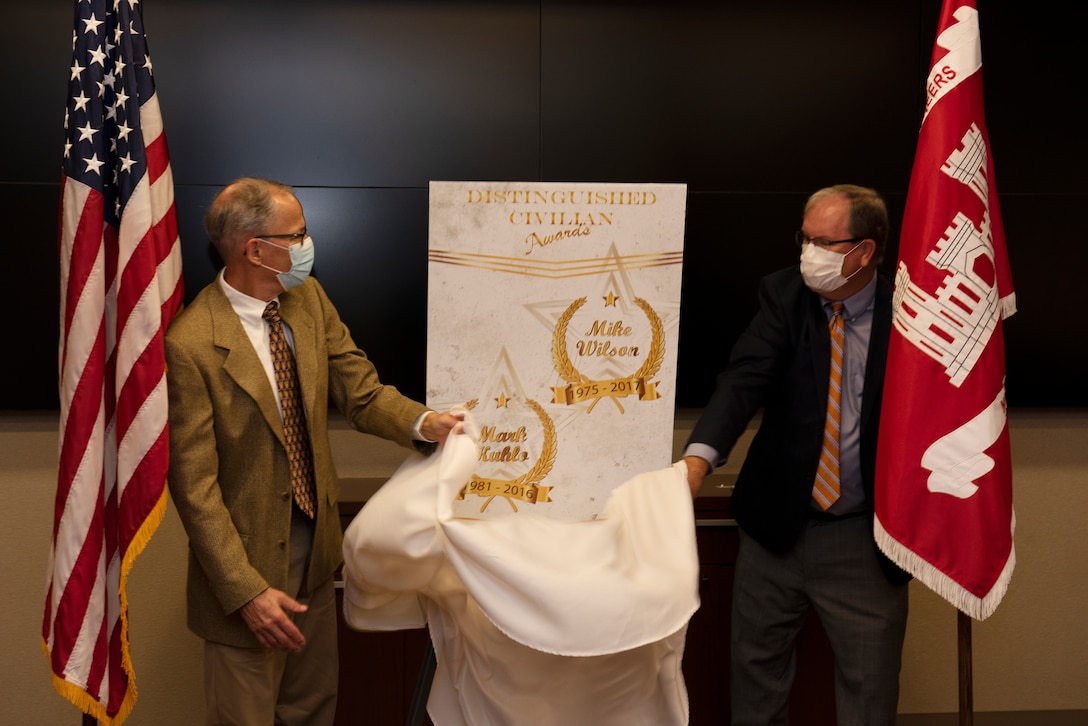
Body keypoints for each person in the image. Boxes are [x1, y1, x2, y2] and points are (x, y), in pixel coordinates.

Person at [165, 177, 461, 725]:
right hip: (246, 574)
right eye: (297, 234)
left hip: (317, 555)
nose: (307, 244)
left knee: (312, 710)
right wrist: (247, 593)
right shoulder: (191, 343)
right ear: (256, 249)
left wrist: (427, 422)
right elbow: (194, 488)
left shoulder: (307, 301)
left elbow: (362, 394)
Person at [683, 184, 911, 726]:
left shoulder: (910, 311)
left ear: (866, 250)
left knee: (869, 691)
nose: (809, 254)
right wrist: (698, 459)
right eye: (804, 239)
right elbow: (744, 380)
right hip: (775, 531)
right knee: (756, 682)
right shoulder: (784, 295)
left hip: (865, 538)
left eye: (825, 242)